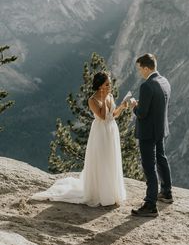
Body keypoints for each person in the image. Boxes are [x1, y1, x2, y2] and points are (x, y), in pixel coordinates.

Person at [32, 72, 127, 207]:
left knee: (111, 158)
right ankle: (100, 193)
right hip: (100, 132)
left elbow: (113, 115)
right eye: (107, 84)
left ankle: (112, 191)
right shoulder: (92, 100)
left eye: (110, 83)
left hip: (111, 130)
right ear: (100, 86)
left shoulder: (110, 96)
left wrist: (122, 107)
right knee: (102, 159)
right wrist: (104, 99)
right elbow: (102, 116)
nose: (110, 86)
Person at [130, 53, 173, 217]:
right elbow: (159, 105)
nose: (139, 72)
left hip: (148, 132)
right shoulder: (164, 81)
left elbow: (141, 113)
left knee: (149, 166)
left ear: (147, 68)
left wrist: (134, 105)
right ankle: (167, 192)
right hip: (161, 129)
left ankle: (150, 204)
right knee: (162, 158)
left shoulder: (146, 86)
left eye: (140, 68)